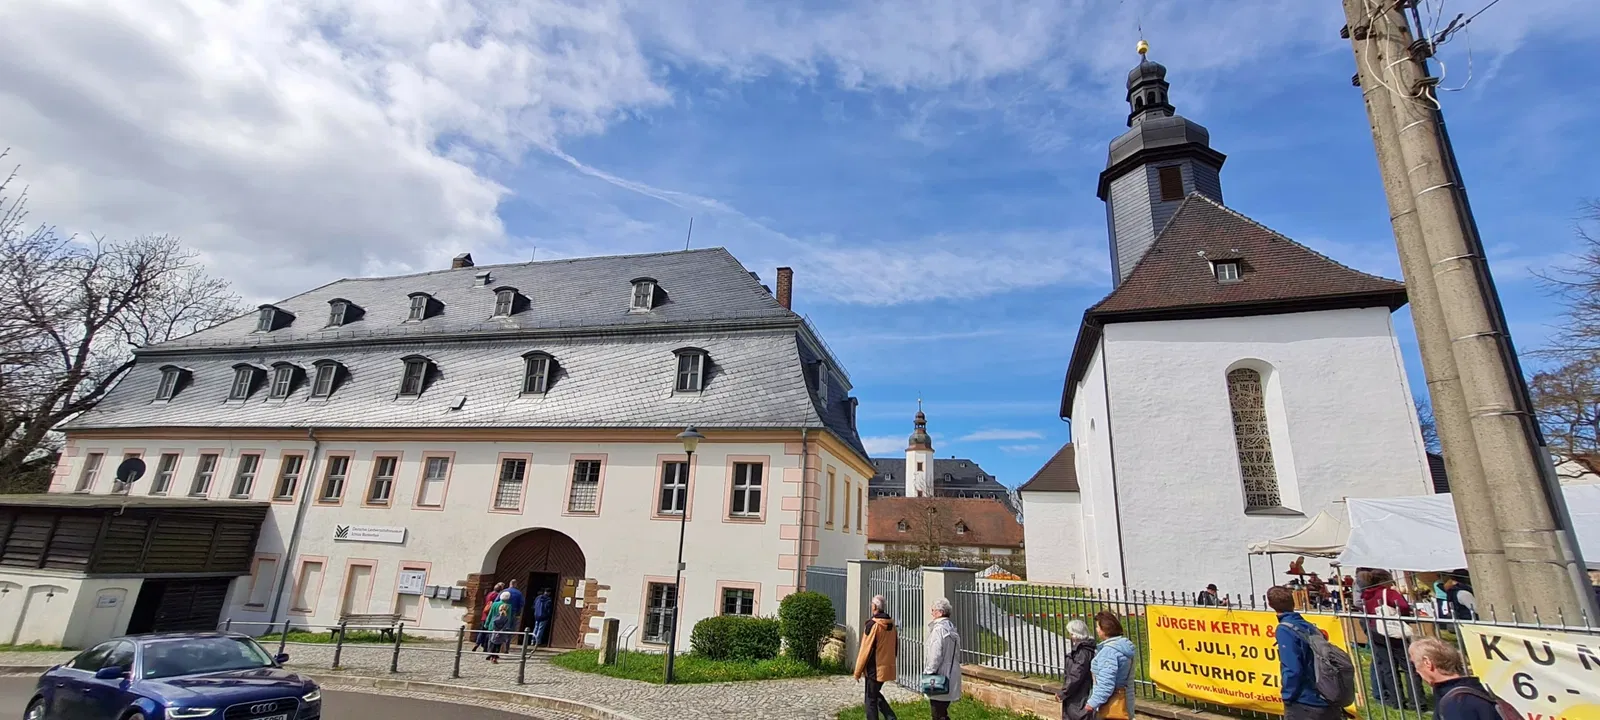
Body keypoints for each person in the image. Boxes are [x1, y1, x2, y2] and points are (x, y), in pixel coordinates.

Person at [1269, 586, 1339, 720]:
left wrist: (1287, 695)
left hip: (1305, 700)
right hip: (1325, 695)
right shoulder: (1308, 626)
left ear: (1271, 605)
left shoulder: (1285, 629)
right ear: (1293, 602)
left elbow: (1293, 668)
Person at [1362, 569, 1425, 709]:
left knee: (1388, 667)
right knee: (1409, 667)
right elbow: (1402, 606)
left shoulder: (1366, 595)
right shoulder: (1389, 593)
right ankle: (1417, 702)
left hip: (1375, 630)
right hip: (1392, 631)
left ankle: (1396, 701)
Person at [1410, 638, 1505, 720]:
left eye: (1414, 664)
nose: (1417, 671)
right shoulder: (1473, 689)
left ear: (1427, 663)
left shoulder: (1456, 704)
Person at [854, 594, 899, 720]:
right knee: (875, 694)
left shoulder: (873, 625)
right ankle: (891, 717)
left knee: (870, 699)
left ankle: (891, 717)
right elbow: (895, 645)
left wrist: (857, 671)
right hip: (886, 666)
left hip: (874, 667)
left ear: (874, 606)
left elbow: (865, 649)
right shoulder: (891, 624)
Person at [1085, 610, 1136, 720]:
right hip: (1125, 700)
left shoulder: (1109, 652)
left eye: (1098, 627)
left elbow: (1106, 682)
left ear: (1105, 629)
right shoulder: (1124, 647)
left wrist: (1092, 703)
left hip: (1111, 705)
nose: (1096, 630)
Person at [922, 598, 962, 720]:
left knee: (937, 713)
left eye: (933, 610)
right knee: (942, 711)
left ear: (940, 612)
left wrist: (928, 672)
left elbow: (935, 654)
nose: (932, 613)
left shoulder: (938, 630)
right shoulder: (951, 628)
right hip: (952, 673)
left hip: (940, 675)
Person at [1055, 618, 1097, 720]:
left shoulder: (1082, 652)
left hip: (1079, 696)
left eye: (1071, 634)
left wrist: (1064, 692)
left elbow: (1076, 675)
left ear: (1076, 634)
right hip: (1079, 694)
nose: (1070, 637)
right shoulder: (1085, 649)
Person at [473, 582, 505, 652]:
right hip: (490, 616)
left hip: (484, 615)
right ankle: (485, 647)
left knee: (482, 631)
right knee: (489, 633)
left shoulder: (489, 594)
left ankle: (477, 643)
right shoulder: (497, 596)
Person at [505, 580, 526, 644]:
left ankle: (498, 646)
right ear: (515, 584)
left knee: (501, 628)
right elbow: (522, 603)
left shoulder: (504, 591)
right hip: (513, 613)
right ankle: (506, 646)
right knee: (509, 630)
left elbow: (496, 600)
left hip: (502, 612)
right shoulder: (518, 593)